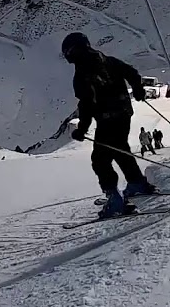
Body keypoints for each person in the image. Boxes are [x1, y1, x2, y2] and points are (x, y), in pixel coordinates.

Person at [62, 32, 155, 218]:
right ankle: (136, 182)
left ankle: (115, 200)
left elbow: (86, 105)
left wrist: (82, 129)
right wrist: (137, 89)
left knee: (100, 160)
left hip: (107, 119)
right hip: (124, 114)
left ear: (73, 51)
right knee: (120, 148)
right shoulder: (107, 60)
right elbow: (132, 73)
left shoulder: (82, 74)